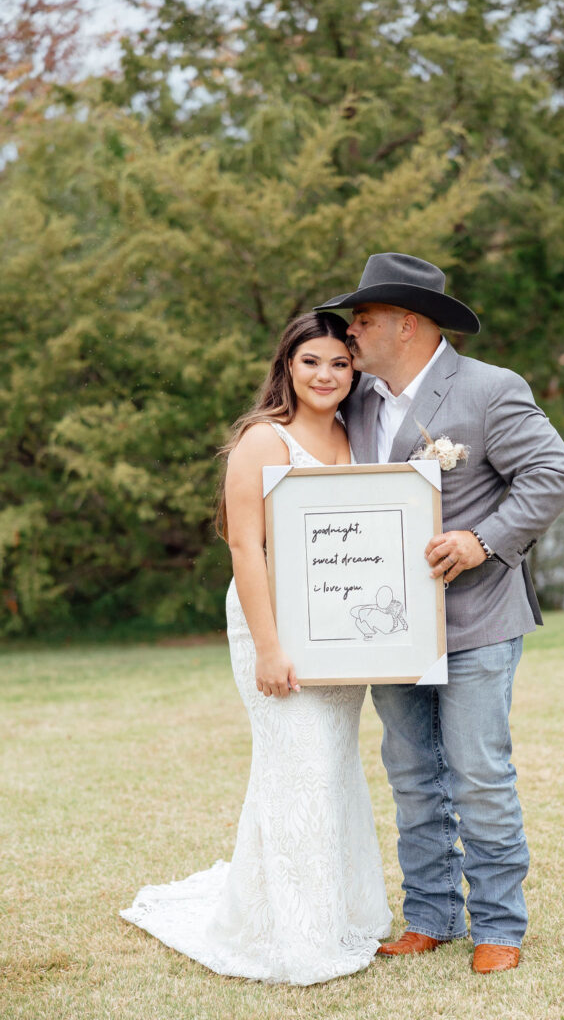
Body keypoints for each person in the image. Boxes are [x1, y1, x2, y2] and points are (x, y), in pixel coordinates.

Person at [314, 253, 564, 974]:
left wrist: (482, 539)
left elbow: (556, 474)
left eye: (361, 319)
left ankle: (499, 924)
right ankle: (431, 914)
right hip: (388, 626)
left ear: (407, 324)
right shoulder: (357, 400)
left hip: (477, 619)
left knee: (477, 773)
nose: (349, 332)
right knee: (408, 771)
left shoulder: (492, 389)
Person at [120, 311, 392, 986]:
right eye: (310, 363)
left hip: (338, 626)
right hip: (271, 620)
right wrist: (269, 648)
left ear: (353, 369)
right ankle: (293, 936)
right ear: (287, 368)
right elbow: (244, 545)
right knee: (293, 767)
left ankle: (340, 913)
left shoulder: (357, 435)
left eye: (338, 362)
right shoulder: (262, 441)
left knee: (329, 765)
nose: (326, 375)